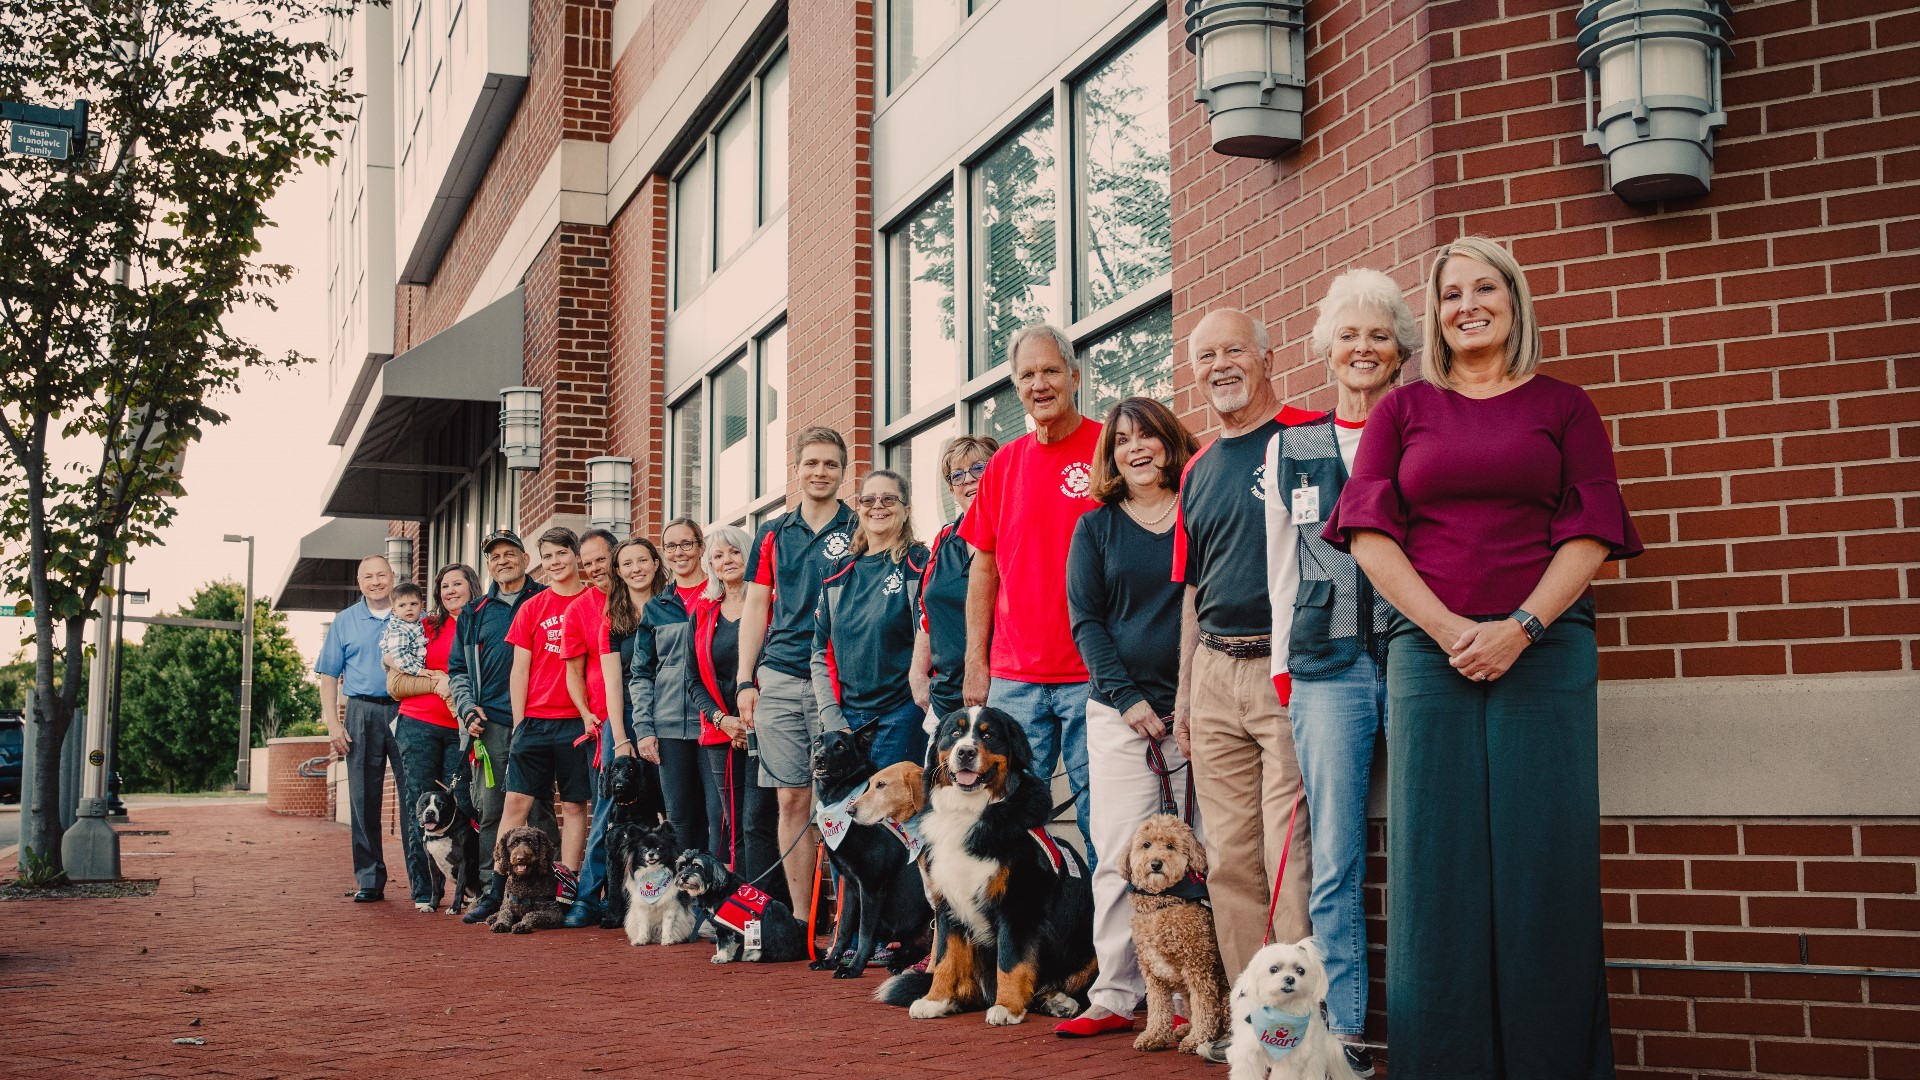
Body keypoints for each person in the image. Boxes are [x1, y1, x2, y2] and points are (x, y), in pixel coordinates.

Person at [1327, 237, 1640, 1076]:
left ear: (1513, 299)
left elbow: (1591, 534)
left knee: (1546, 862)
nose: (1467, 304)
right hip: (1431, 658)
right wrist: (1446, 630)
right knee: (1436, 870)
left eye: (1484, 287)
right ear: (1432, 314)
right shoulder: (1404, 410)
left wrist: (1521, 628)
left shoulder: (1565, 407)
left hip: (1546, 652)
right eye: (1449, 292)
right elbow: (1366, 534)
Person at [1261, 268, 1414, 1074]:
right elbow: (1281, 564)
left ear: (1400, 353)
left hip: (1416, 656)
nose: (1363, 349)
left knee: (1425, 844)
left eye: (1379, 336)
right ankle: (1345, 1032)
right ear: (1327, 347)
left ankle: (1430, 1023)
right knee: (1336, 855)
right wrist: (1286, 667)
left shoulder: (1426, 426)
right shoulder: (1296, 445)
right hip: (1323, 665)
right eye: (1349, 335)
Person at [1170, 308, 1322, 1058]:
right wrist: (1183, 699)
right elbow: (1192, 593)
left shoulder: (1308, 437)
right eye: (1206, 356)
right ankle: (1247, 1019)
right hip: (1213, 672)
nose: (1220, 365)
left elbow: (1336, 559)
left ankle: (1295, 1023)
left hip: (1283, 669)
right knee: (1227, 858)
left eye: (1234, 350)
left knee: (1286, 855)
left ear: (1267, 357)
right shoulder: (1196, 467)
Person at [1058, 396, 1198, 1038]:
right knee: (1121, 850)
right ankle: (1116, 993)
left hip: (1200, 708)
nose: (1135, 448)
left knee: (1204, 852)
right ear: (1110, 456)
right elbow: (1086, 623)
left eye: (1146, 436)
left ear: (1169, 441)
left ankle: (1204, 995)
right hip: (1121, 715)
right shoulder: (1096, 528)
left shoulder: (1199, 509)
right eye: (1121, 441)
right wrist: (1129, 700)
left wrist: (1188, 700)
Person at [959, 323, 1102, 858]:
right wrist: (977, 660)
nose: (1039, 384)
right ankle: (1015, 941)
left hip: (1092, 671)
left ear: (1073, 375)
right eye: (1027, 375)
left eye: (1049, 371)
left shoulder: (1108, 447)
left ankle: (1101, 942)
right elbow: (983, 569)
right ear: (1015, 387)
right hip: (1015, 677)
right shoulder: (1003, 464)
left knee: (1100, 819)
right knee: (1004, 825)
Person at [736, 426, 857, 909]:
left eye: (830, 464)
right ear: (798, 469)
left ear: (843, 472)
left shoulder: (857, 528)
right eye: (812, 463)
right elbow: (756, 606)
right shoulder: (771, 533)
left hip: (839, 680)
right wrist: (746, 680)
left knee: (844, 802)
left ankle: (853, 919)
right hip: (781, 676)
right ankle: (807, 918)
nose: (820, 472)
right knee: (791, 800)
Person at [447, 529, 558, 924]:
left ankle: (551, 890)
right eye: (495, 557)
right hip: (492, 721)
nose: (503, 561)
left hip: (541, 718)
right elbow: (457, 670)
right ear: (488, 565)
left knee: (541, 806)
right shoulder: (475, 613)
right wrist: (467, 707)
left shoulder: (546, 600)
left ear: (527, 560)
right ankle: (493, 891)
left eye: (510, 554)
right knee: (494, 807)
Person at [687, 526, 788, 905]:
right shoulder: (703, 611)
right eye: (718, 556)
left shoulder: (771, 606)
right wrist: (720, 719)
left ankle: (769, 906)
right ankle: (742, 907)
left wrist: (750, 722)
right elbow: (691, 678)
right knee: (734, 829)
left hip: (765, 729)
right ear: (710, 565)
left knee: (758, 822)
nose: (726, 561)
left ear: (750, 558)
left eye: (734, 552)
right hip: (720, 735)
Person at [812, 469, 932, 770]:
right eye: (869, 499)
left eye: (889, 498)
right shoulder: (837, 573)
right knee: (852, 813)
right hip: (847, 723)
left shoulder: (919, 564)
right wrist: (832, 718)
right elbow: (819, 653)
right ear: (859, 508)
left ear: (906, 510)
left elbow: (930, 635)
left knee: (897, 815)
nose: (878, 506)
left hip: (902, 715)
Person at [499, 527, 593, 875]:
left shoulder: (594, 601)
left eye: (561, 553)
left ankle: (567, 884)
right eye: (548, 556)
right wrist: (520, 724)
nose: (555, 562)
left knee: (573, 806)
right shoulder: (532, 607)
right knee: (515, 803)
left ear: (576, 555)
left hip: (576, 721)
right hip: (535, 721)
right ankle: (502, 887)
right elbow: (519, 672)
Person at [392, 564, 481, 913]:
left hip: (463, 729)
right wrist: (438, 681)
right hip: (419, 725)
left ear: (472, 586)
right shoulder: (425, 626)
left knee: (461, 803)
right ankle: (425, 891)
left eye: (457, 583)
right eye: (444, 586)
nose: (450, 591)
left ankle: (469, 886)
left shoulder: (482, 623)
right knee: (418, 804)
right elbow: (394, 676)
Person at [315, 555, 401, 902]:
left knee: (415, 795)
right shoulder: (345, 621)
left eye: (382, 575)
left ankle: (424, 882)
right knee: (363, 798)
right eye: (369, 576)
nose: (376, 581)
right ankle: (369, 879)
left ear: (393, 577)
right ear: (359, 581)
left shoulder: (412, 613)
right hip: (361, 711)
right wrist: (333, 724)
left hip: (406, 708)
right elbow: (327, 676)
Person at [628, 518, 711, 851]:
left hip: (714, 724)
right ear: (664, 554)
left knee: (716, 814)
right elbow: (642, 673)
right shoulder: (656, 608)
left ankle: (715, 894)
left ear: (701, 546)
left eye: (687, 544)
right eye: (672, 546)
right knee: (678, 818)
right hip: (669, 727)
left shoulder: (720, 595)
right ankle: (683, 893)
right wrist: (644, 728)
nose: (680, 552)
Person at [911, 434, 998, 727]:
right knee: (937, 773)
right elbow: (927, 613)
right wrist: (917, 674)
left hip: (1001, 692)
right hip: (946, 696)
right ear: (950, 487)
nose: (969, 480)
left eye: (979, 469)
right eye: (957, 475)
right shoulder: (943, 540)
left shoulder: (1011, 533)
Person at [560, 528, 619, 928]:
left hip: (657, 714)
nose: (596, 568)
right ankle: (588, 895)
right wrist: (584, 711)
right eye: (589, 562)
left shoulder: (640, 592)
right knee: (606, 808)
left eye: (602, 559)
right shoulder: (579, 609)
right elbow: (573, 671)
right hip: (605, 722)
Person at [380, 583, 450, 703]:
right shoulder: (400, 629)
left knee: (445, 682)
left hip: (409, 673)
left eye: (413, 604)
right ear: (394, 610)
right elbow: (399, 657)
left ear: (421, 606)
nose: (409, 608)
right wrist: (419, 671)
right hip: (402, 674)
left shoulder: (416, 625)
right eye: (402, 605)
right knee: (443, 682)